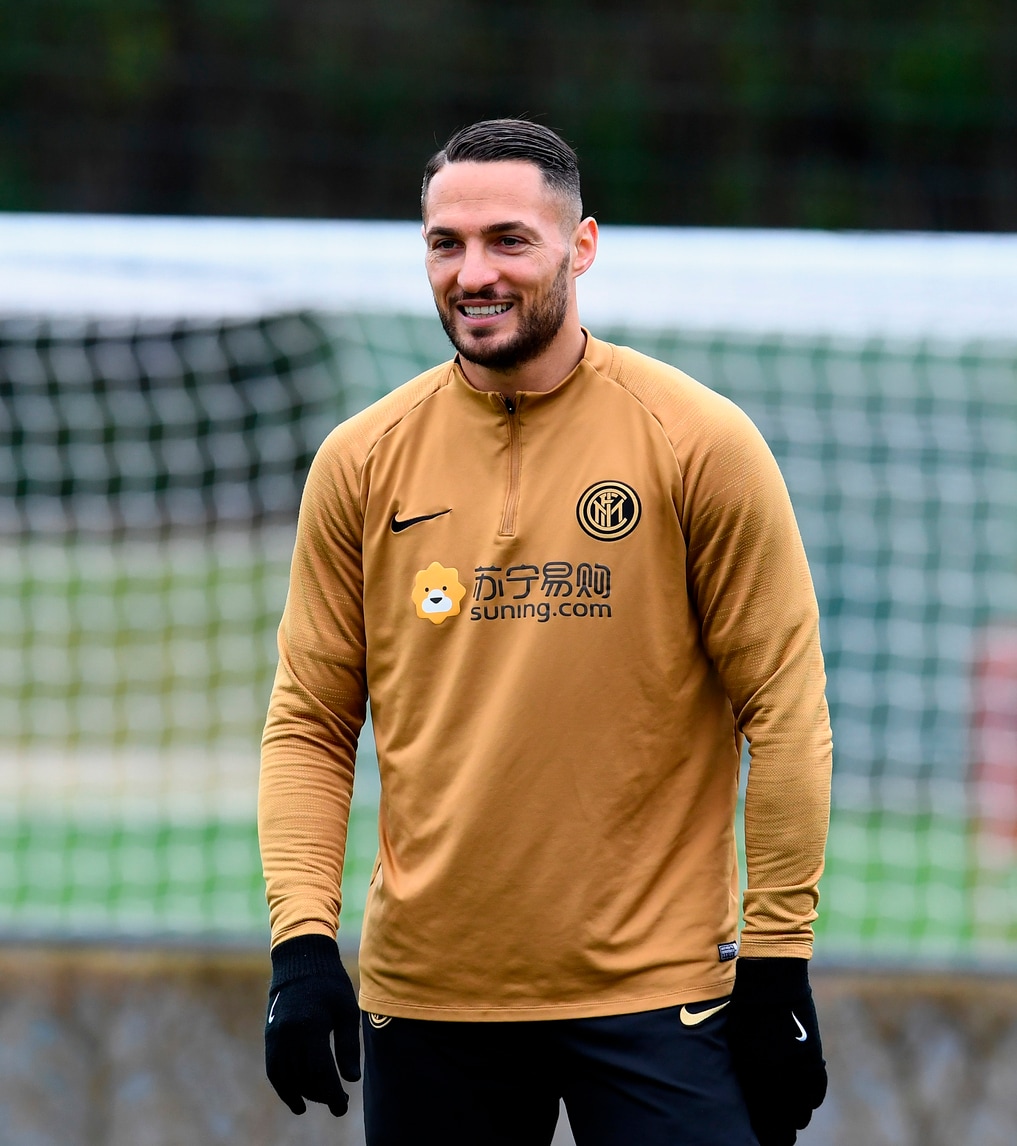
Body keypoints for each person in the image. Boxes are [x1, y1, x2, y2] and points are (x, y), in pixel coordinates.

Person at [259, 118, 832, 1146]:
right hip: (430, 1001)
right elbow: (310, 724)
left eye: (508, 240)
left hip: (661, 996)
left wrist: (777, 962)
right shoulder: (360, 461)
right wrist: (302, 947)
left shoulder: (698, 441)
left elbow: (785, 714)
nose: (473, 273)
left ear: (582, 245)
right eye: (446, 243)